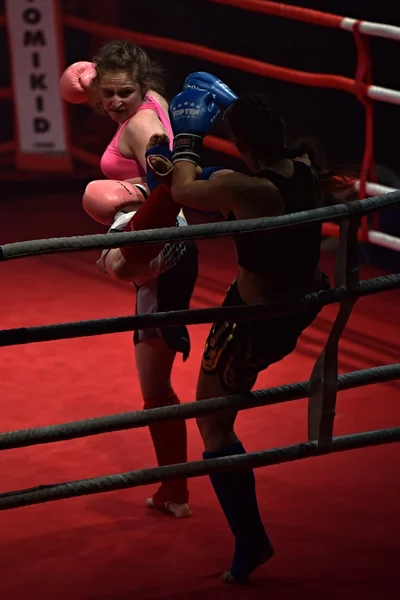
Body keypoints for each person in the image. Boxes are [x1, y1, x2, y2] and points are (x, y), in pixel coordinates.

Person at [165, 79, 355, 581]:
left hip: (254, 320)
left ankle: (251, 541)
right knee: (216, 416)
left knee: (213, 424)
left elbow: (183, 188)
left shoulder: (245, 188)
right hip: (300, 303)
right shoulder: (308, 168)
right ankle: (250, 539)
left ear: (242, 142)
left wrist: (187, 137)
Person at [60, 41, 198, 518]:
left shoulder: (143, 125)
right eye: (110, 94)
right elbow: (79, 87)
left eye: (125, 92)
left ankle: (175, 491)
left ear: (141, 89)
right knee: (155, 387)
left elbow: (171, 176)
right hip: (162, 251)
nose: (118, 102)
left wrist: (141, 188)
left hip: (162, 235)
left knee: (117, 261)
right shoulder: (152, 98)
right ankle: (173, 493)